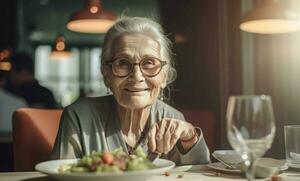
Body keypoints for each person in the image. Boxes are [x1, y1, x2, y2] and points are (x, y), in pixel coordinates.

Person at [51, 17, 210, 165]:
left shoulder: (173, 119)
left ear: (164, 76)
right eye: (123, 62)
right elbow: (61, 180)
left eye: (149, 62)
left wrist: (190, 136)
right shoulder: (79, 117)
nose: (136, 76)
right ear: (107, 75)